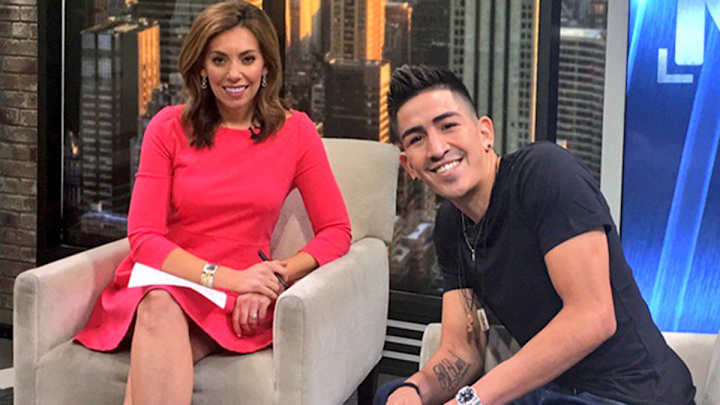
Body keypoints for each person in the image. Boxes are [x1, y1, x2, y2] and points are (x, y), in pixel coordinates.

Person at [74, 2, 351, 404]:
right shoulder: (167, 127)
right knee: (160, 304)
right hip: (166, 279)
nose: (234, 74)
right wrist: (230, 279)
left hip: (238, 296)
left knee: (160, 358)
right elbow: (144, 238)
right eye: (219, 59)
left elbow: (336, 231)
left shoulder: (297, 133)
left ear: (266, 65)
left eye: (247, 59)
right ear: (202, 68)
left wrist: (274, 278)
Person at [375, 65, 695, 405]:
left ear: (484, 133)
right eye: (417, 138)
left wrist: (471, 401)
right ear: (409, 166)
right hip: (554, 393)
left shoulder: (544, 172)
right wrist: (413, 390)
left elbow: (593, 318)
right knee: (387, 396)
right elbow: (462, 349)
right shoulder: (451, 225)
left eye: (448, 125)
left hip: (634, 393)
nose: (437, 148)